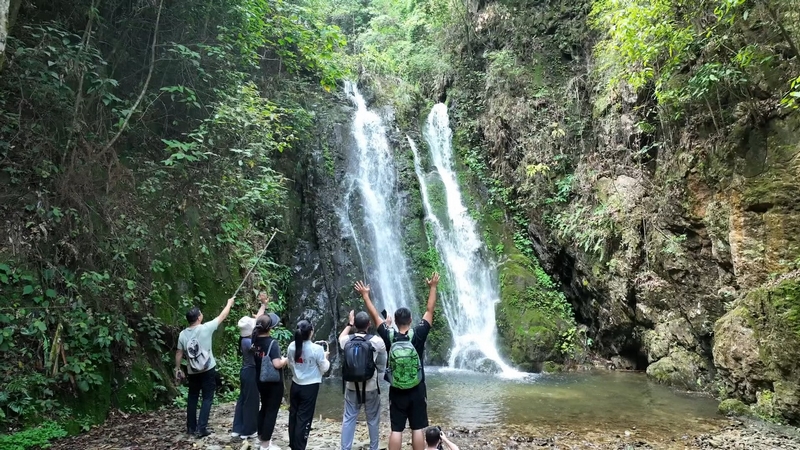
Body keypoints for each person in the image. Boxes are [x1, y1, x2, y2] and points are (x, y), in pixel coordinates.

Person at [355, 272, 440, 450]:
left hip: (397, 389)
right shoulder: (418, 333)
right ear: (410, 320)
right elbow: (430, 310)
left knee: (397, 429)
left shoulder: (388, 335)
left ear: (396, 321)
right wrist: (433, 287)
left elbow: (374, 316)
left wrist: (365, 295)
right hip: (417, 387)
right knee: (417, 428)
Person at [174, 296, 235, 437]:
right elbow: (222, 316)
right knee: (207, 397)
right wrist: (229, 303)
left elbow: (179, 352)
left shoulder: (182, 334)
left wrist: (177, 368)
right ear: (199, 318)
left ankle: (191, 428)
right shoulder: (206, 328)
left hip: (192, 370)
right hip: (208, 369)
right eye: (201, 313)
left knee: (193, 397)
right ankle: (201, 428)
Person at [339, 310, 387, 450]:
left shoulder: (347, 340)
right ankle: (374, 448)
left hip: (351, 386)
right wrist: (386, 325)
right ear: (369, 324)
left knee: (349, 418)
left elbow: (340, 337)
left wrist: (349, 323)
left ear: (355, 326)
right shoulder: (376, 341)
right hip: (370, 386)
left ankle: (345, 448)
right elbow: (385, 347)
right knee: (372, 420)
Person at [231, 292, 270, 439]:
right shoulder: (249, 343)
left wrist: (263, 305)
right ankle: (249, 430)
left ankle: (237, 428)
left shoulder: (245, 339)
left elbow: (257, 320)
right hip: (251, 372)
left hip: (245, 372)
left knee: (243, 399)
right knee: (252, 401)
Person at [286, 320, 330, 450]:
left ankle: (293, 444)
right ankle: (300, 447)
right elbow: (324, 368)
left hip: (295, 384)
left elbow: (290, 364)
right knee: (304, 418)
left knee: (293, 414)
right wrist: (326, 357)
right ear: (311, 332)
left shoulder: (291, 346)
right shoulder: (317, 349)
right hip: (310, 387)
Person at [252, 313, 288, 450]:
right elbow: (277, 364)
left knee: (264, 408)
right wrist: (285, 360)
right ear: (270, 328)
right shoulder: (272, 343)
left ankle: (261, 437)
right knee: (271, 411)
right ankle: (265, 445)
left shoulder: (254, 340)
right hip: (273, 383)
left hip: (260, 380)